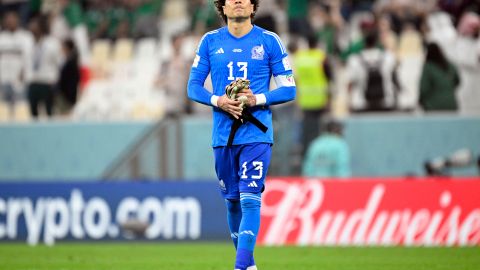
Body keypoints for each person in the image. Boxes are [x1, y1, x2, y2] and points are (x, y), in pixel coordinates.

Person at [187, 1, 296, 269]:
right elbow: (193, 87)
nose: (238, 1)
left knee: (249, 199)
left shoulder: (269, 41)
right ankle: (249, 265)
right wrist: (219, 101)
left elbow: (288, 89)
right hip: (223, 137)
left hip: (256, 134)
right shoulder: (210, 41)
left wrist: (256, 98)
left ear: (253, 6)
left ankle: (240, 265)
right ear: (222, 7)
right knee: (233, 204)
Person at [419, 42, 459, 111]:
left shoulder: (428, 67)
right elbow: (457, 81)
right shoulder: (450, 66)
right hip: (451, 104)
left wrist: (420, 100)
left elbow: (424, 88)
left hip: (433, 106)